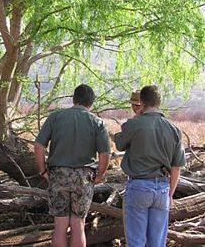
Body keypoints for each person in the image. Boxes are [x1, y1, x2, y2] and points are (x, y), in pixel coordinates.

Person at [34, 84, 111, 247]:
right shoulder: (97, 122)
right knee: (78, 225)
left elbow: (39, 146)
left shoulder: (55, 117)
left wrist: (42, 171)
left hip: (58, 174)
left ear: (74, 99)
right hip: (84, 177)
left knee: (60, 226)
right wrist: (100, 175)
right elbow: (105, 154)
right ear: (91, 103)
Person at [114, 85, 186, 247]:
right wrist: (170, 194)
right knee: (157, 243)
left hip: (139, 186)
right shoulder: (173, 129)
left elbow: (119, 144)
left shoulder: (135, 124)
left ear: (141, 102)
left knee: (136, 241)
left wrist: (133, 119)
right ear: (159, 102)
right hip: (162, 189)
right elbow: (176, 167)